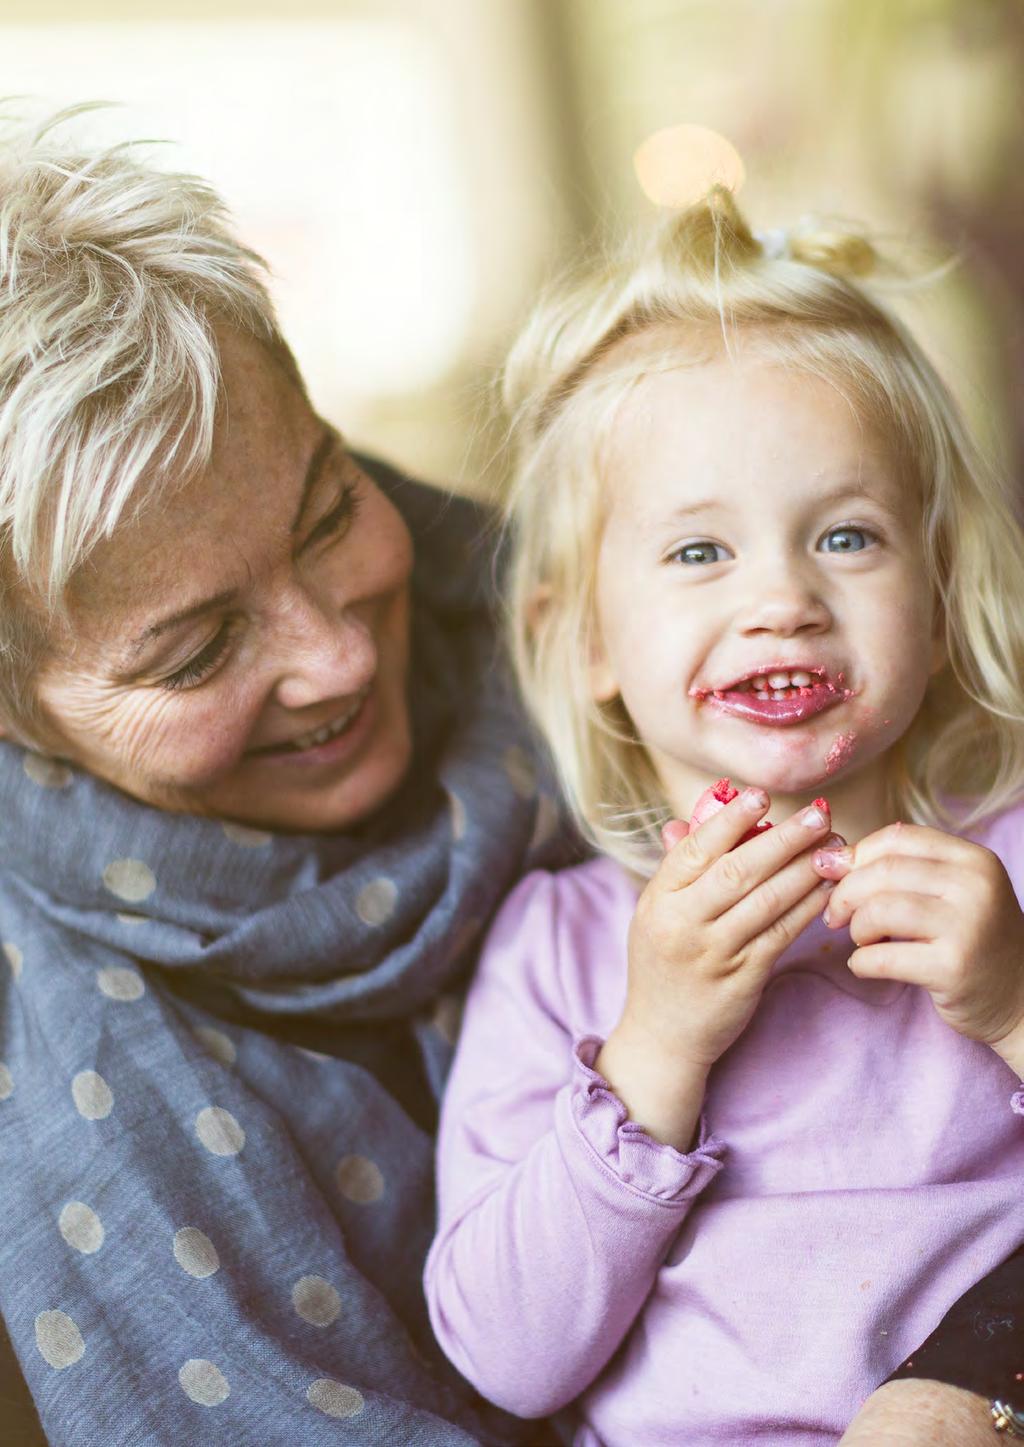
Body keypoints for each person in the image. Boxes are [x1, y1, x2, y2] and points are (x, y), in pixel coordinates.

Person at [0, 108, 574, 1444]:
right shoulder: (72, 1087)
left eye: (326, 512)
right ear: (20, 716)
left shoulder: (623, 622)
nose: (335, 653)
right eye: (197, 649)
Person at [425, 188, 1024, 1444]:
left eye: (847, 536)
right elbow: (505, 1359)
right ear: (582, 635)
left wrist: (1013, 1003)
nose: (784, 597)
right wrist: (654, 1048)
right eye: (699, 552)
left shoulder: (1005, 865)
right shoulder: (560, 946)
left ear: (940, 580)